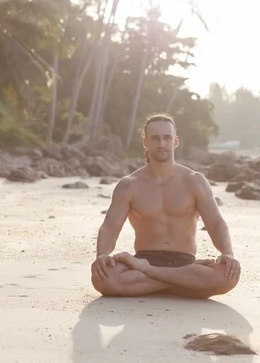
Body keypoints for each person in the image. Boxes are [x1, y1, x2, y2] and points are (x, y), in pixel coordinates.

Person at [91, 113, 241, 299]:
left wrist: (228, 252)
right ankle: (182, 283)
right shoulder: (129, 185)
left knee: (228, 276)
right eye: (155, 138)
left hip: (180, 261)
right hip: (148, 259)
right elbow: (110, 226)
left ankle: (151, 279)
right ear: (146, 143)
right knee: (104, 280)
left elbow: (216, 222)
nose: (161, 143)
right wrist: (102, 254)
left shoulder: (194, 181)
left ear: (175, 141)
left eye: (166, 137)